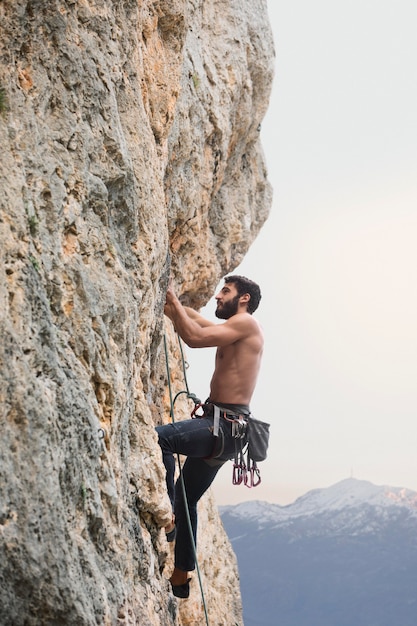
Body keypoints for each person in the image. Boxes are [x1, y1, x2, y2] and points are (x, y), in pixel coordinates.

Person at [156, 275, 263, 598]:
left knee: (162, 439)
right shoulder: (236, 328)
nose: (218, 296)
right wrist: (169, 301)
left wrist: (172, 301)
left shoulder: (246, 325)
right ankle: (180, 576)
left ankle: (169, 519)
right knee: (186, 495)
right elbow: (197, 320)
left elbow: (193, 337)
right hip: (227, 430)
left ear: (243, 299)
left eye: (225, 291)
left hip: (222, 426)